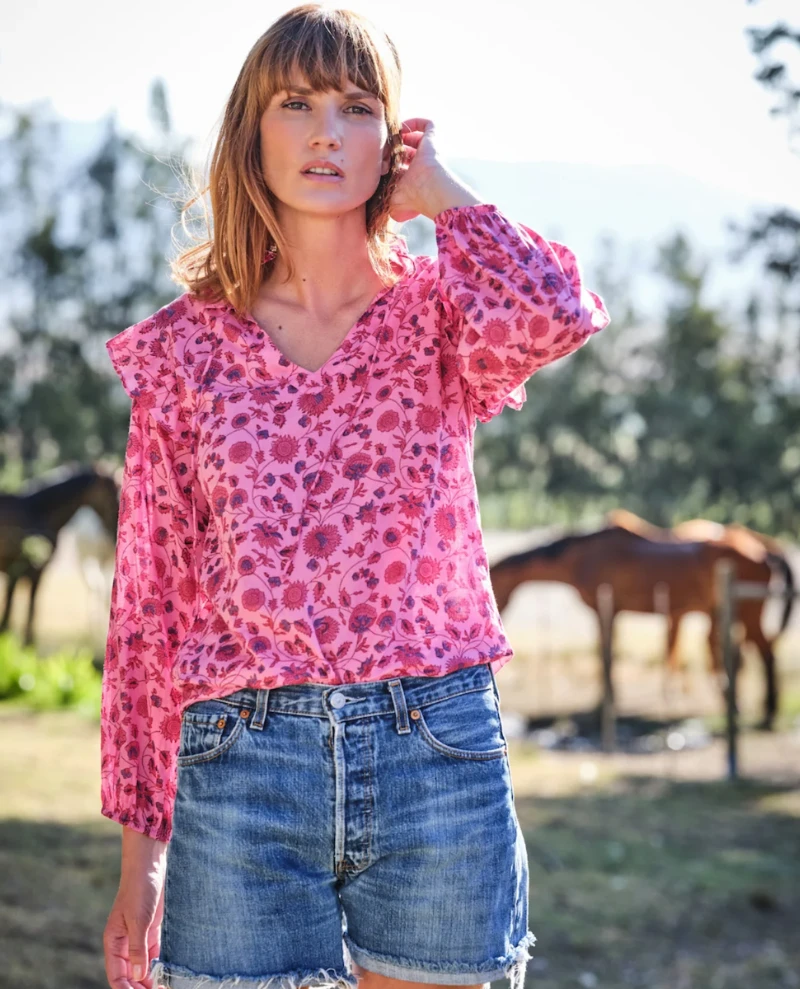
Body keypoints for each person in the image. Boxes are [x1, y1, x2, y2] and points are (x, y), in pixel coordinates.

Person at [100, 5, 611, 989]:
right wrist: (142, 848)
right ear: (252, 132)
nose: (326, 133)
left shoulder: (442, 317)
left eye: (356, 107)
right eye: (295, 105)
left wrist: (442, 195)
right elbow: (150, 607)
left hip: (435, 754)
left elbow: (555, 311)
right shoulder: (183, 349)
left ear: (392, 137)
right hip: (241, 767)